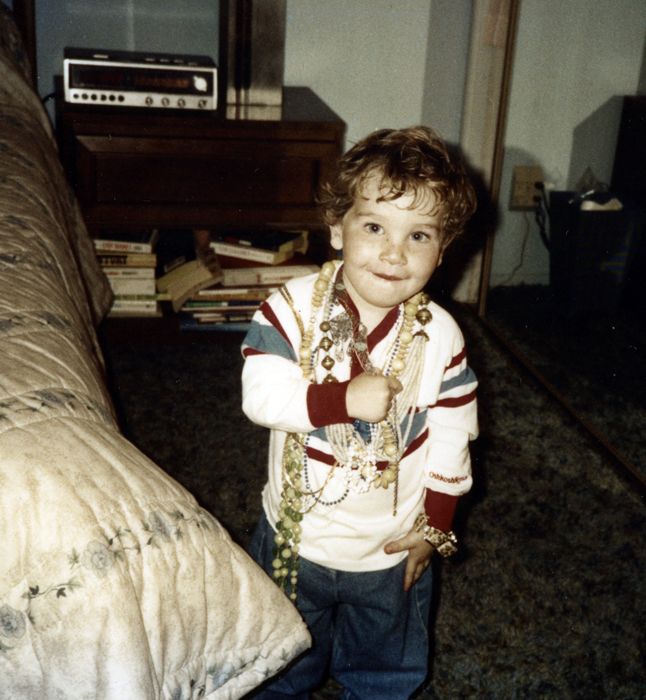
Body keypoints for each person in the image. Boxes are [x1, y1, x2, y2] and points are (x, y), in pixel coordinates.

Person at [241, 126, 478, 700]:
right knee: (279, 658)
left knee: (385, 665)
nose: (394, 253)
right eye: (374, 227)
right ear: (336, 228)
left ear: (442, 250)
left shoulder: (441, 336)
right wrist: (341, 399)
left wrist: (436, 524)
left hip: (391, 548)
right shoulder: (290, 310)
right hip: (297, 539)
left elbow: (453, 430)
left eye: (418, 235)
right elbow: (261, 395)